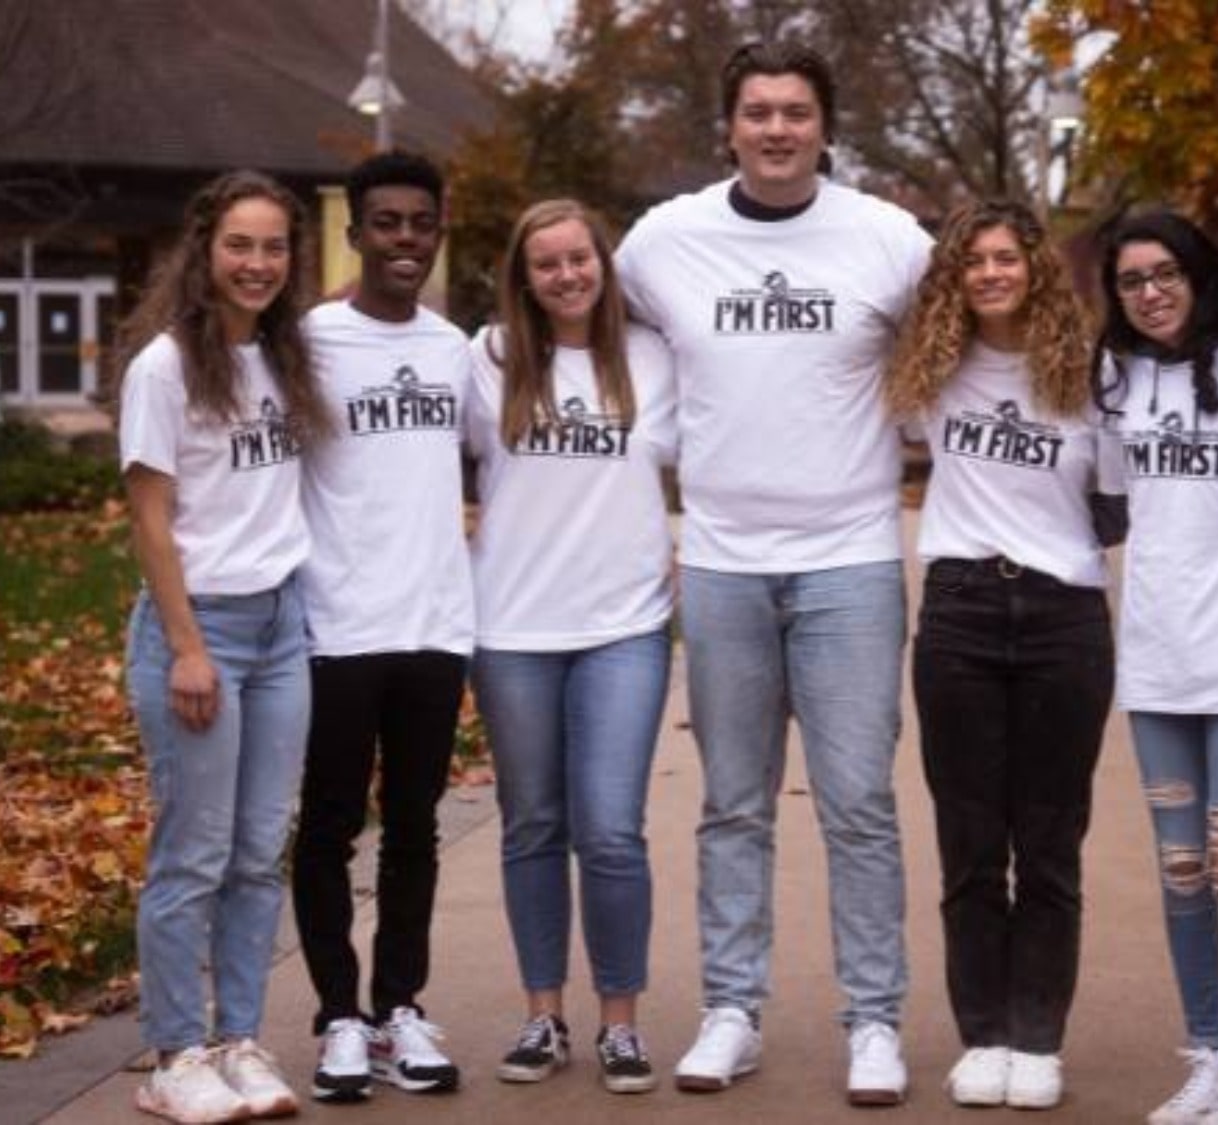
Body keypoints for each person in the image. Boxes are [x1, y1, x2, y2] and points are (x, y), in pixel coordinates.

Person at [614, 39, 933, 1105]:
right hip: (720, 564)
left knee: (856, 805)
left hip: (848, 561)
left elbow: (964, 341)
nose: (777, 130)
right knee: (732, 804)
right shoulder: (663, 242)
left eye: (796, 112)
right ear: (728, 126)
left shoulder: (888, 240)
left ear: (824, 126)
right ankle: (729, 1010)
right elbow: (579, 325)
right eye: (757, 112)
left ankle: (874, 1021)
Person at [885, 199, 1111, 1110]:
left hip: (1064, 615)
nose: (989, 273)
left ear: (1035, 267)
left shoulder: (1090, 374)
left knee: (1050, 842)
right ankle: (983, 1033)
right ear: (953, 274)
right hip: (962, 612)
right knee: (971, 841)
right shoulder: (931, 367)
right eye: (972, 259)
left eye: (1006, 257)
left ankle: (1038, 1037)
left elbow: (1120, 497)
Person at [117, 168, 331, 1124]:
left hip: (282, 629)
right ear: (205, 251)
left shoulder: (283, 359)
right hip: (199, 631)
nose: (257, 263)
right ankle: (173, 1054)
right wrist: (187, 646)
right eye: (239, 245)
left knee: (256, 853)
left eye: (274, 247)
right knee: (193, 856)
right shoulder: (164, 366)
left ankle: (239, 1039)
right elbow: (151, 520)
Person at [467, 199, 678, 1096]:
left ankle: (620, 1024)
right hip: (511, 628)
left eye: (578, 258)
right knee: (534, 827)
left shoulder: (654, 358)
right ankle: (543, 1015)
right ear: (524, 278)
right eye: (545, 264)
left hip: (623, 628)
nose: (565, 275)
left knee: (613, 830)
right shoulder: (488, 359)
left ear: (604, 262)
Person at [1093, 212, 1218, 1125]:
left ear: (1201, 274)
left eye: (1165, 273)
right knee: (1180, 866)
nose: (1150, 293)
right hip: (1158, 662)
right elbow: (1104, 502)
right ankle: (1209, 1053)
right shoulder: (1116, 379)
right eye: (1131, 281)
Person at [290, 150, 474, 1103]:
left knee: (414, 828)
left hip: (436, 627)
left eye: (422, 223)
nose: (406, 239)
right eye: (388, 223)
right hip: (335, 627)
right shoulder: (309, 341)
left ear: (438, 233)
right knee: (327, 827)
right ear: (356, 232)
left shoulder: (455, 350)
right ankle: (339, 1018)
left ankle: (401, 1006)